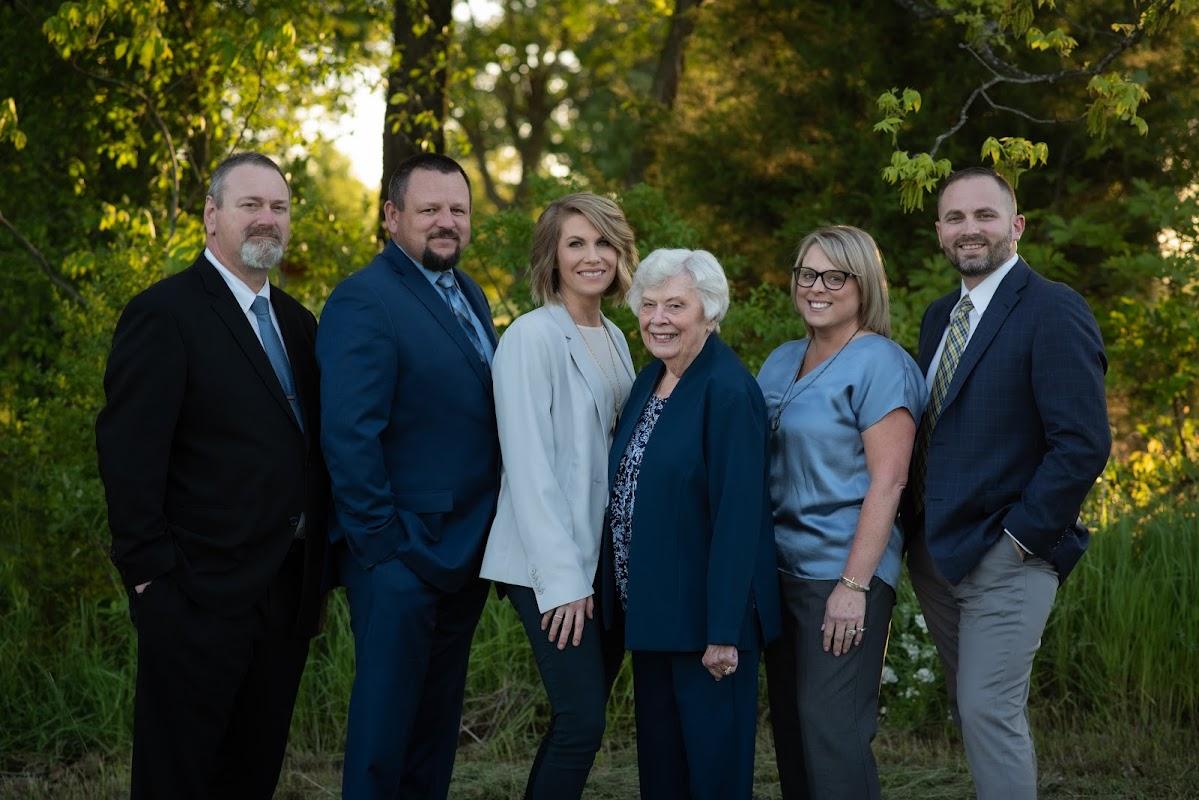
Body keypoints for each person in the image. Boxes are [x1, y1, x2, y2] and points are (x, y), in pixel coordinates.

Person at [95, 152, 329, 799]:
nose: (266, 220)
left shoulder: (299, 324)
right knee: (179, 779)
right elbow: (127, 454)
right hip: (193, 599)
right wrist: (151, 581)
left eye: (278, 208)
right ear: (211, 216)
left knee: (249, 778)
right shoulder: (164, 314)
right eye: (249, 205)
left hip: (283, 597)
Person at [904, 167, 1111, 800]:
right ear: (940, 231)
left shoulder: (1051, 307)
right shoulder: (942, 317)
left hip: (1006, 556)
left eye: (985, 216)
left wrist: (1020, 540)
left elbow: (1081, 443)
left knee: (988, 712)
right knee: (979, 712)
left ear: (1015, 226)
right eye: (956, 218)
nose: (971, 229)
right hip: (938, 556)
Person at [317, 153, 501, 800]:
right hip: (398, 554)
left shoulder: (468, 292)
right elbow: (348, 432)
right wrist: (382, 544)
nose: (445, 223)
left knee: (433, 729)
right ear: (392, 217)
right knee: (384, 733)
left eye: (457, 210)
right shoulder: (364, 299)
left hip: (462, 550)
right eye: (429, 210)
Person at [600, 248, 781, 800]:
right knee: (664, 778)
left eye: (676, 305)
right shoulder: (649, 381)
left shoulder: (727, 389)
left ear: (710, 310)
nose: (659, 318)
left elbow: (738, 519)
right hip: (654, 619)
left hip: (707, 629)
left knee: (714, 779)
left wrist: (723, 632)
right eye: (649, 304)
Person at [479, 192, 638, 798]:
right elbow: (528, 466)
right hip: (548, 560)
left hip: (603, 556)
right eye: (576, 243)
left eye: (603, 243)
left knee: (584, 718)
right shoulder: (530, 336)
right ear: (552, 255)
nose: (591, 256)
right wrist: (563, 583)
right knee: (582, 719)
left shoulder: (618, 338)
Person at [758, 225, 925, 799]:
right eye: (807, 273)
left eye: (835, 276)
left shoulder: (882, 363)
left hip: (841, 572)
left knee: (832, 730)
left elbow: (890, 480)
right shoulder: (780, 361)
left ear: (863, 284)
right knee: (793, 729)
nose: (817, 287)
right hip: (778, 571)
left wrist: (853, 585)